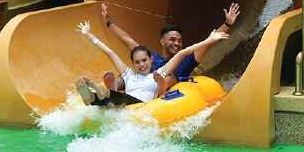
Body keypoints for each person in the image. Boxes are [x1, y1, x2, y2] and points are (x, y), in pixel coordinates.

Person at [73, 21, 228, 107]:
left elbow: (183, 53)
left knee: (114, 100)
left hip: (139, 105)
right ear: (133, 64)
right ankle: (92, 96)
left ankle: (101, 92)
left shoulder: (158, 73)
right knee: (101, 101)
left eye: (144, 61)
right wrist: (89, 35)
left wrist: (210, 40)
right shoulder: (129, 74)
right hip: (124, 104)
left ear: (151, 60)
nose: (141, 65)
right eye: (138, 62)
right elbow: (110, 52)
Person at [100, 2, 241, 93]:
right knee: (127, 76)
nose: (177, 43)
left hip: (161, 90)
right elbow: (127, 40)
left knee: (170, 76)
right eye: (172, 40)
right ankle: (112, 87)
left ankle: (153, 90)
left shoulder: (188, 59)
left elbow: (210, 41)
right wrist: (108, 22)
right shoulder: (151, 57)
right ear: (162, 42)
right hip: (141, 85)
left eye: (179, 41)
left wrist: (227, 24)